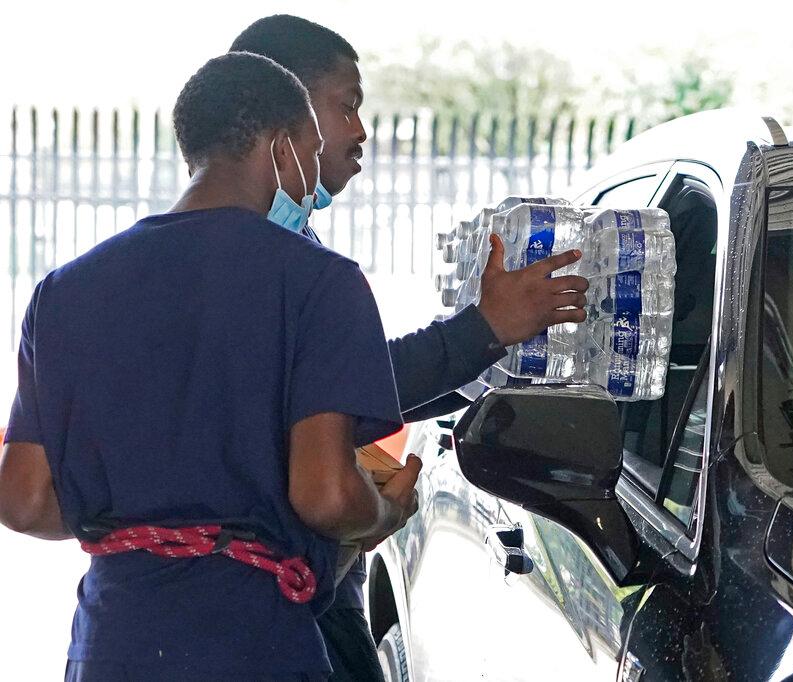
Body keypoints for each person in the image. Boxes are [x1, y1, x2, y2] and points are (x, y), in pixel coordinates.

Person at [0, 52, 420, 680]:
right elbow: (327, 494)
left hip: (112, 643)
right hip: (253, 642)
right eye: (308, 156)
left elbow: (24, 500)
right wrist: (383, 513)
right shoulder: (320, 284)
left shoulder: (65, 290)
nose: (311, 184)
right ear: (281, 149)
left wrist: (143, 523)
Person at [229, 15, 591, 682]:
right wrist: (482, 331)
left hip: (312, 582)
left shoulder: (290, 248)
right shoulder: (249, 263)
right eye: (348, 106)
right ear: (288, 115)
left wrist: (492, 356)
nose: (361, 132)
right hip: (265, 600)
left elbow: (351, 385)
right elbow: (332, 392)